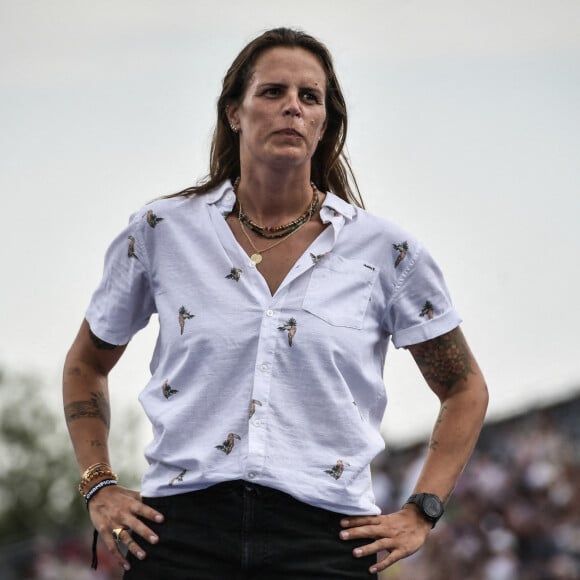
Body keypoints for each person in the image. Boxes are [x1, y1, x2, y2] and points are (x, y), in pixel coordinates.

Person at [63, 27, 489, 579]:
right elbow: (85, 365)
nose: (292, 106)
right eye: (273, 92)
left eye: (309, 97)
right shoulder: (161, 232)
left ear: (324, 123)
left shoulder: (386, 252)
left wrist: (422, 510)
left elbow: (464, 388)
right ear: (234, 112)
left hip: (325, 538)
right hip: (181, 532)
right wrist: (98, 483)